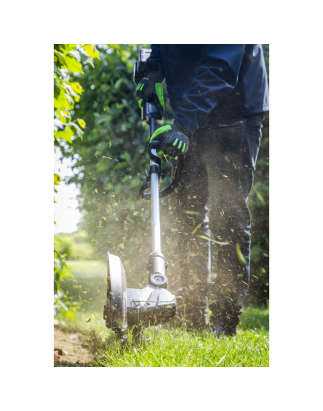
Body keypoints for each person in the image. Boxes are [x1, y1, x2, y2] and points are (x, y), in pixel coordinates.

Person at [135, 45, 270, 337]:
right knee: (190, 214)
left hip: (234, 111)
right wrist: (154, 66)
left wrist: (183, 123)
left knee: (230, 217)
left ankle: (224, 322)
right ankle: (192, 315)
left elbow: (222, 64)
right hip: (193, 113)